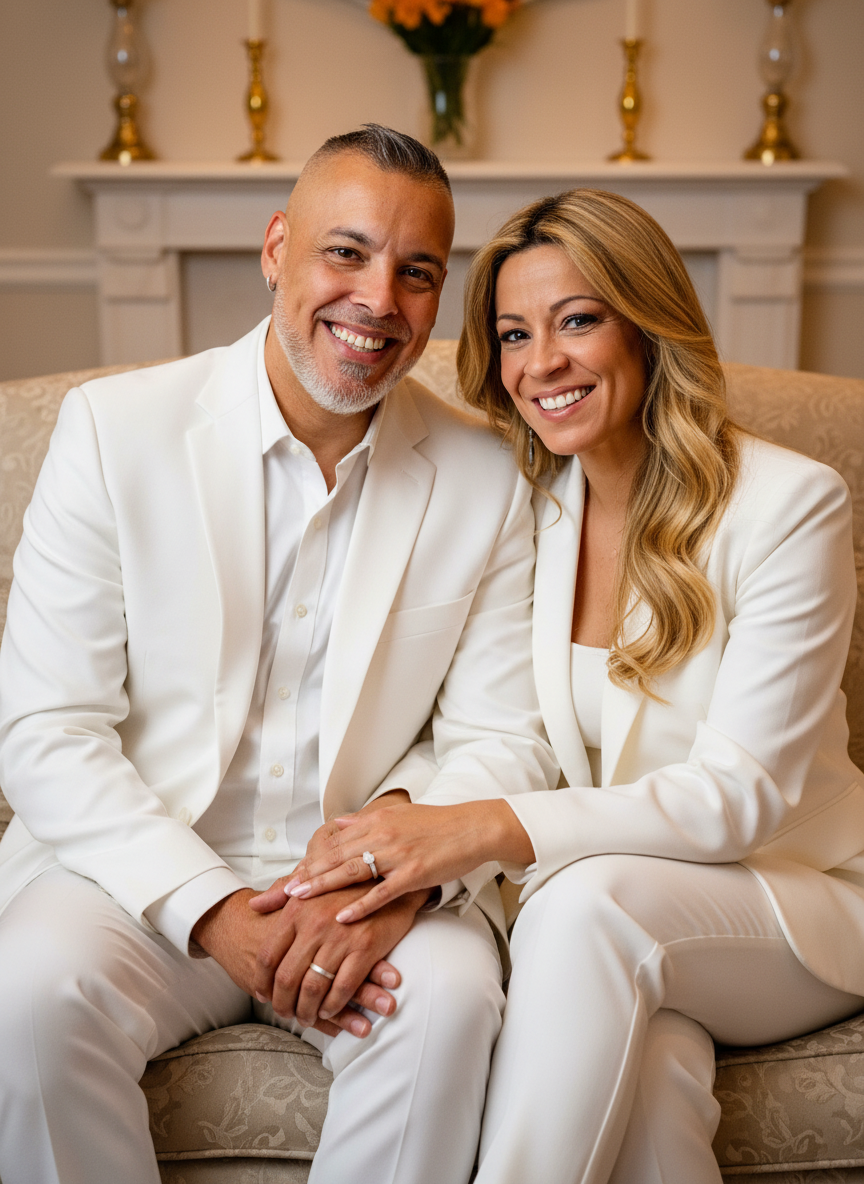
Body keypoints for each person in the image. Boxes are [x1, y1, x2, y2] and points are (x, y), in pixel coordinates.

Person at [0, 125, 558, 1184]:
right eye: (345, 252)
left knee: (446, 1002)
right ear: (276, 250)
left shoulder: (490, 474)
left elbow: (505, 736)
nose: (378, 299)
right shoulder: (114, 431)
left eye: (417, 272)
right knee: (24, 991)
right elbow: (44, 729)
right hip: (137, 871)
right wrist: (210, 908)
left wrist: (397, 877)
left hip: (366, 897)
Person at [275, 188, 864, 1183]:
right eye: (513, 333)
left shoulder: (789, 506)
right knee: (655, 1083)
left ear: (647, 324)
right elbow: (488, 718)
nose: (540, 362)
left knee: (585, 907)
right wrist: (397, 836)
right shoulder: (526, 499)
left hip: (797, 901)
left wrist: (491, 828)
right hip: (637, 930)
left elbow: (742, 797)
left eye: (577, 320)